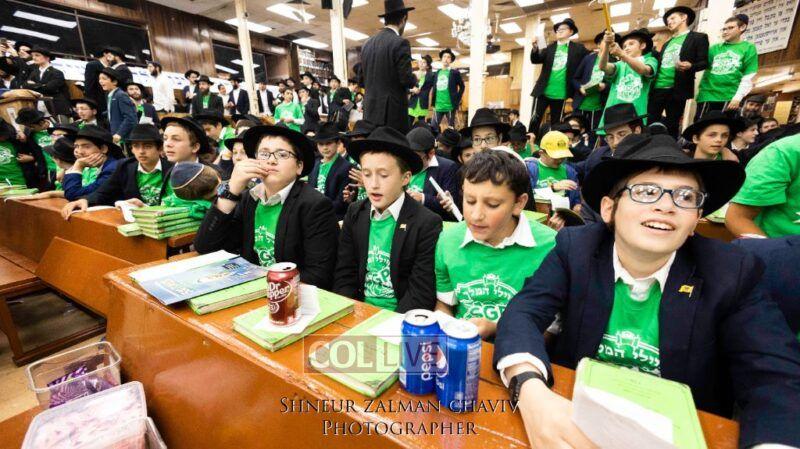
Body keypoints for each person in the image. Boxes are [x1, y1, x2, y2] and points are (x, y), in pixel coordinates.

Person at [495, 133, 800, 449]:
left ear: (696, 219)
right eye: (646, 192)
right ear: (609, 209)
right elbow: (524, 313)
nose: (666, 206)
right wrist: (529, 390)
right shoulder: (577, 248)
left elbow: (776, 377)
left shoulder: (731, 271)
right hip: (577, 418)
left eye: (685, 197)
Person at [195, 124, 339, 289]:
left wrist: (266, 286)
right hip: (251, 289)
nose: (271, 160)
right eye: (264, 154)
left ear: (299, 166)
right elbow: (206, 247)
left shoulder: (315, 205)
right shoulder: (249, 198)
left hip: (289, 295)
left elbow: (319, 275)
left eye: (282, 154)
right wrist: (232, 191)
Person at [435, 150, 556, 339]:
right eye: (470, 201)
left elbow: (551, 328)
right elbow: (445, 304)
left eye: (492, 204)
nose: (476, 215)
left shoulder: (550, 246)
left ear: (519, 203)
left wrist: (497, 328)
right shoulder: (448, 240)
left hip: (522, 348)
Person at [334, 126, 442, 312]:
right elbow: (345, 273)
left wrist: (390, 323)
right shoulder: (355, 212)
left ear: (405, 178)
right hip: (357, 312)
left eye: (383, 175)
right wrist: (348, 312)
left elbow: (420, 292)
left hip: (399, 317)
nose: (373, 184)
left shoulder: (426, 223)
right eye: (367, 174)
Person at [60, 125, 173, 217]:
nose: (141, 151)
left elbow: (175, 204)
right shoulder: (125, 166)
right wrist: (86, 200)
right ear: (132, 149)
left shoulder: (172, 169)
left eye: (147, 146)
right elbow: (103, 192)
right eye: (136, 146)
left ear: (160, 148)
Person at [575, 103, 645, 224]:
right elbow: (575, 170)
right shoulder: (597, 156)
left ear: (637, 131)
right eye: (610, 137)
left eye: (622, 134)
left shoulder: (651, 160)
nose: (615, 142)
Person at [649, 5, 709, 138]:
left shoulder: (698, 38)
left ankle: (670, 148)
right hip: (658, 87)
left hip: (677, 89)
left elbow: (704, 62)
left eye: (672, 18)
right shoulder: (667, 43)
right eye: (667, 21)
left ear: (684, 17)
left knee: (672, 124)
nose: (669, 22)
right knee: (651, 122)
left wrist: (690, 66)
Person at [726, 133, 800, 238]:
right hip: (778, 243)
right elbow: (737, 218)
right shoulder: (782, 153)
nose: (755, 133)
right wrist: (770, 249)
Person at [360, 0, 417, 134]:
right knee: (393, 147)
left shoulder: (366, 45)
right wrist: (415, 78)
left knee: (373, 145)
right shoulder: (400, 43)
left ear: (385, 20)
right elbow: (405, 79)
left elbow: (361, 81)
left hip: (369, 112)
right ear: (403, 19)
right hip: (392, 115)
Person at [528, 18, 589, 135]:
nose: (559, 31)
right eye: (557, 30)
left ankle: (553, 144)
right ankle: (530, 143)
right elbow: (536, 59)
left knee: (557, 125)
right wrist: (535, 48)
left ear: (571, 32)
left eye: (563, 29)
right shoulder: (549, 48)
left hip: (561, 94)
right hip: (542, 92)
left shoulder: (578, 49)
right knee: (534, 120)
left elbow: (591, 59)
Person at [695, 14, 757, 119]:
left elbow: (748, 76)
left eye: (730, 28)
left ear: (742, 28)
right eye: (724, 29)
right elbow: (700, 64)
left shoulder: (748, 48)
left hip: (729, 97)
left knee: (723, 125)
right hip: (707, 95)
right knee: (701, 125)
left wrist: (737, 98)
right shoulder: (714, 48)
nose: (725, 31)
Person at [597, 29, 658, 132]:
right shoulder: (619, 65)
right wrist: (607, 45)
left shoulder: (650, 60)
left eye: (631, 44)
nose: (627, 48)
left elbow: (643, 70)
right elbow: (602, 66)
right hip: (613, 114)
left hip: (635, 115)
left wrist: (622, 54)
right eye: (624, 46)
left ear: (642, 45)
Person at [572, 31, 619, 138]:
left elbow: (616, 84)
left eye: (611, 42)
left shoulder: (615, 62)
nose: (609, 44)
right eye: (605, 42)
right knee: (576, 134)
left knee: (594, 136)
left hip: (599, 107)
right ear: (598, 44)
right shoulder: (588, 59)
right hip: (581, 105)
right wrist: (580, 88)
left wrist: (605, 86)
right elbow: (575, 78)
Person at [406, 126, 459, 220]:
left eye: (416, 157)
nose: (411, 161)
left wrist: (422, 198)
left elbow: (450, 204)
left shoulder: (447, 168)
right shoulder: (404, 164)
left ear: (431, 153)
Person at [61, 125, 124, 201]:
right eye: (76, 146)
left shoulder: (112, 170)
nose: (79, 151)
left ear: (103, 149)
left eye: (86, 147)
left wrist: (78, 166)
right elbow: (67, 190)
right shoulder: (107, 166)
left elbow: (72, 195)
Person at [525, 130, 580, 208]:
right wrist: (552, 188)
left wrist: (577, 206)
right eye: (555, 157)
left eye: (562, 156)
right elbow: (525, 196)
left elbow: (576, 199)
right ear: (541, 153)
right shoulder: (530, 169)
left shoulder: (570, 172)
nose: (560, 160)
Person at [308, 122, 352, 218]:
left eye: (328, 143)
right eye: (321, 144)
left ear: (338, 143)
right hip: (312, 216)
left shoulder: (346, 167)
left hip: (333, 217)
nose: (325, 148)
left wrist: (318, 209)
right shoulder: (314, 164)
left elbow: (341, 202)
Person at [24, 48, 71, 118]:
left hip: (56, 108)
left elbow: (50, 88)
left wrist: (34, 85)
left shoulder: (57, 72)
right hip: (39, 108)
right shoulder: (34, 73)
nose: (34, 58)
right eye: (32, 55)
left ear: (47, 58)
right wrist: (42, 85)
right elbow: (25, 86)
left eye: (37, 55)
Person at [15, 108, 56, 188]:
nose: (29, 129)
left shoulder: (59, 129)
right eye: (27, 126)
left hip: (64, 166)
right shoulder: (30, 135)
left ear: (41, 123)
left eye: (31, 127)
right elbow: (33, 152)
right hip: (49, 170)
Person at [98, 68, 137, 144]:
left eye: (104, 79)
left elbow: (130, 118)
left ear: (114, 82)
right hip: (115, 135)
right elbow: (112, 111)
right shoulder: (110, 95)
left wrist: (119, 134)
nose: (100, 81)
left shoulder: (120, 95)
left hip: (124, 138)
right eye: (99, 79)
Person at [430, 49, 465, 131]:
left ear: (451, 60)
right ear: (441, 59)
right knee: (433, 128)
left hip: (450, 106)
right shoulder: (437, 73)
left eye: (448, 57)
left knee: (451, 130)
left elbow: (462, 86)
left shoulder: (454, 73)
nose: (446, 59)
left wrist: (457, 99)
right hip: (438, 106)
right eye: (444, 57)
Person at [0, 120, 33, 187]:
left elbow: (39, 155)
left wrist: (31, 158)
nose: (4, 138)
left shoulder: (16, 141)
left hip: (20, 182)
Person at [408, 55, 435, 127]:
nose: (421, 64)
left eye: (424, 62)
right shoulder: (413, 74)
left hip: (423, 104)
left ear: (427, 66)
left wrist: (433, 104)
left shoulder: (431, 76)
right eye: (420, 62)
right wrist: (412, 90)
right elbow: (405, 88)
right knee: (408, 126)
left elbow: (435, 89)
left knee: (421, 127)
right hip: (412, 104)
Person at [84, 49, 112, 115]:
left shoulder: (111, 68)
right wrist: (91, 104)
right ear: (105, 54)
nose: (114, 57)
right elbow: (89, 86)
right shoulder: (92, 65)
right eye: (112, 54)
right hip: (99, 103)